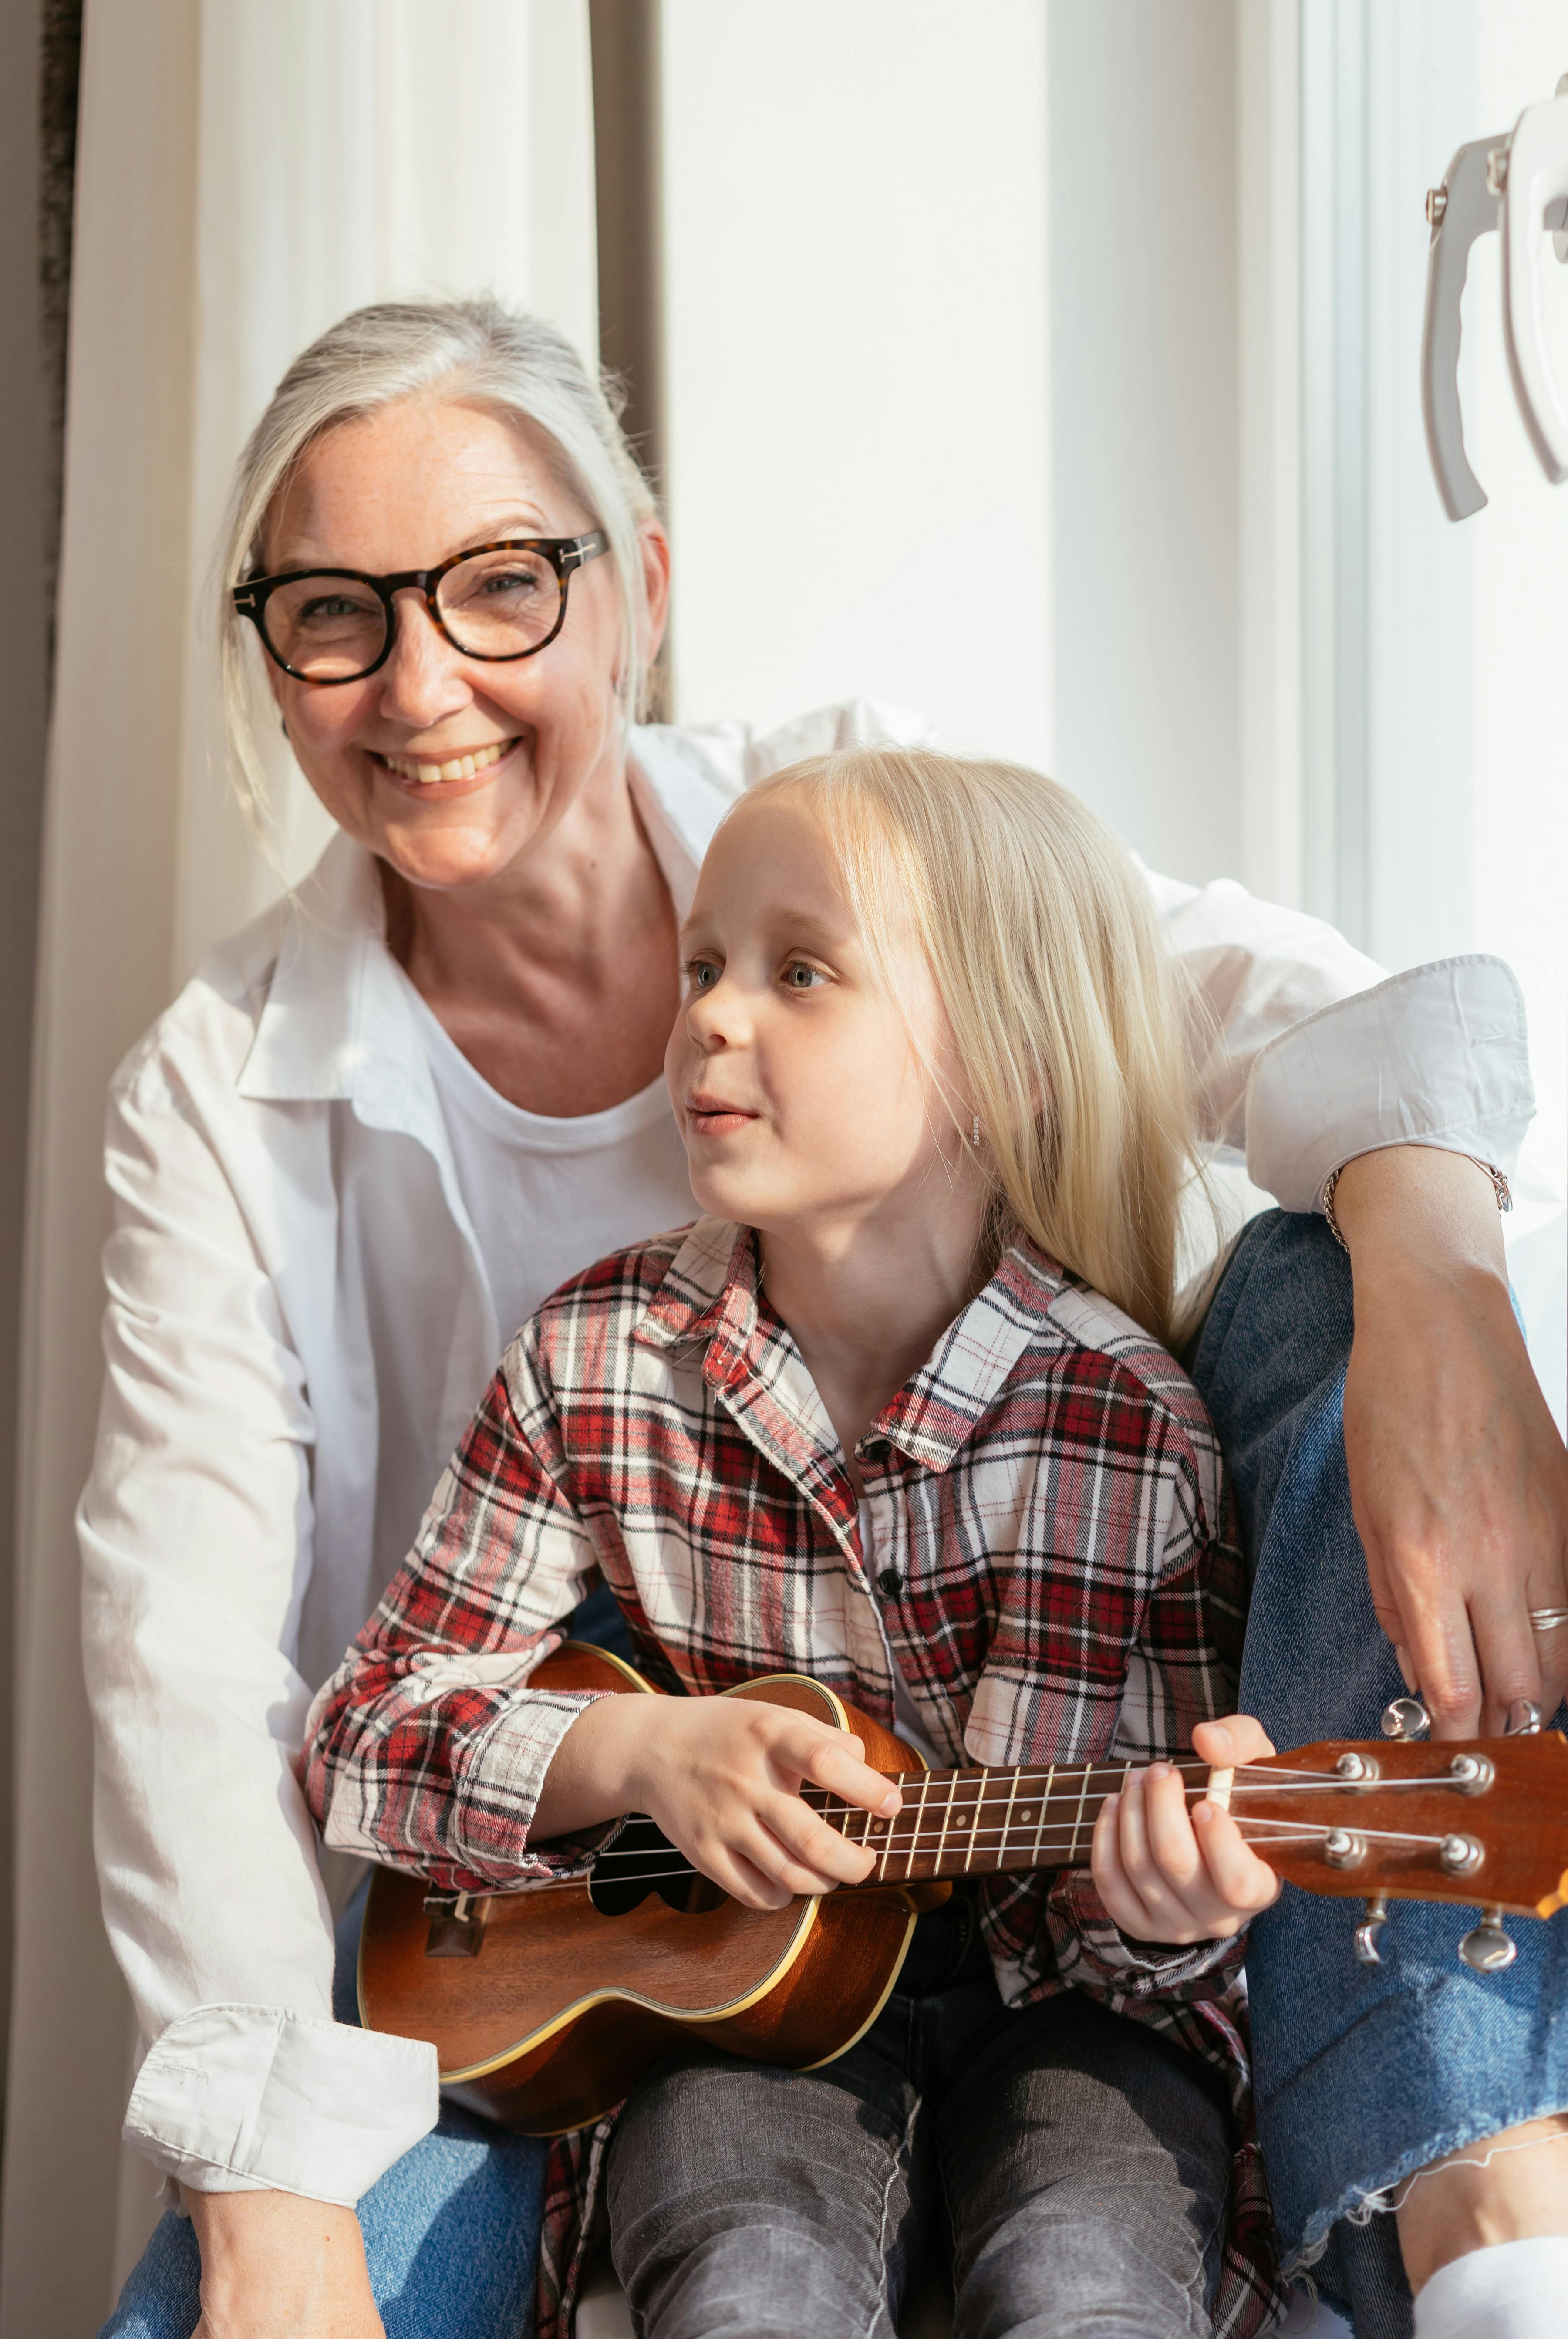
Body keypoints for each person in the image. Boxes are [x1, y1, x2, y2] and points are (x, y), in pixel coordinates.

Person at [84, 296, 1568, 2339]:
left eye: (495, 586)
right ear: (271, 656)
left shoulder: (849, 830)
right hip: (522, 1892)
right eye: (330, 613)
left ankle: (1499, 2203)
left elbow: (1298, 1007)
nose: (419, 679)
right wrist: (282, 2208)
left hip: (970, 1898)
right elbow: (194, 1682)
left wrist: (1436, 1277)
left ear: (636, 585)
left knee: (1314, 1268)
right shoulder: (235, 1094)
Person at [300, 744, 1300, 2337]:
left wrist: (1173, 1910)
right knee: (745, 2276)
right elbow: (364, 1736)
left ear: (999, 1058)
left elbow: (1154, 1966)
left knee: (1084, 2284)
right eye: (703, 964)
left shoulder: (1126, 1431)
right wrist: (638, 1754)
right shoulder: (596, 1361)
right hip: (745, 2035)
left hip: (1066, 2029)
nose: (707, 1011)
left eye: (800, 971)